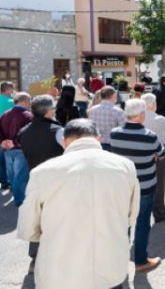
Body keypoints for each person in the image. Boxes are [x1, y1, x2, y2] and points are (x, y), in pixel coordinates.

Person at [17, 119, 139, 289]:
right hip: (109, 267)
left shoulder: (43, 171)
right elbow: (131, 215)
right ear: (98, 138)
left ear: (65, 141)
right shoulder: (126, 166)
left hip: (60, 270)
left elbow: (27, 228)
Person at [110, 99, 165, 273]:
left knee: (122, 223)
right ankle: (140, 261)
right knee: (142, 223)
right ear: (141, 115)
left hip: (121, 185)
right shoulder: (149, 136)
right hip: (145, 186)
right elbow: (162, 155)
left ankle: (118, 259)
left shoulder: (115, 134)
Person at [18, 95, 64, 273]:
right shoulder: (57, 130)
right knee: (57, 219)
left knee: (36, 219)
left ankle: (35, 260)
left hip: (35, 180)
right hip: (56, 182)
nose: (54, 110)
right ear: (47, 111)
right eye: (52, 108)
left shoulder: (24, 131)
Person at [141, 93, 165, 222]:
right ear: (153, 105)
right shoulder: (159, 118)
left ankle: (144, 210)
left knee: (143, 182)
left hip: (142, 153)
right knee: (160, 183)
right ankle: (159, 211)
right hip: (160, 152)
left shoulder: (139, 118)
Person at [0, 92, 33, 206]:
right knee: (20, 175)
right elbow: (27, 133)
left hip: (7, 149)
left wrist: (3, 142)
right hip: (20, 149)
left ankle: (17, 196)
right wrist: (13, 143)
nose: (30, 103)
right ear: (25, 101)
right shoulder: (28, 115)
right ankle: (20, 200)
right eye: (29, 100)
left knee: (13, 175)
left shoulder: (5, 114)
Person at [88, 86, 127, 151]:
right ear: (113, 95)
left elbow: (90, 128)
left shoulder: (92, 110)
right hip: (112, 145)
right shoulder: (118, 111)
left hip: (96, 144)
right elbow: (124, 129)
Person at [0, 81, 15, 190]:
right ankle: (9, 181)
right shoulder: (11, 101)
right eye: (12, 89)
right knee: (8, 158)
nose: (13, 91)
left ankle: (3, 181)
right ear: (8, 90)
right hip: (6, 132)